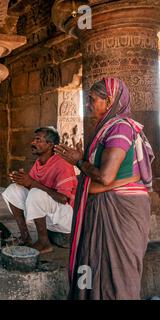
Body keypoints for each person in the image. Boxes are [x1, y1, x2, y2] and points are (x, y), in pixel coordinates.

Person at [55, 77, 155, 300]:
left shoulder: (120, 127)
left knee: (117, 274)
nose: (88, 105)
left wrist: (79, 162)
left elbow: (105, 176)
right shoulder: (107, 128)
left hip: (120, 211)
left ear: (109, 101)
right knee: (96, 266)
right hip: (105, 207)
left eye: (92, 100)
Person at [2, 127, 78, 254]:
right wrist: (21, 180)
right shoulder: (39, 163)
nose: (33, 143)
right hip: (51, 213)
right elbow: (31, 185)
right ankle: (26, 237)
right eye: (34, 139)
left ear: (50, 145)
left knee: (36, 193)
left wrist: (31, 183)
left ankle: (44, 243)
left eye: (38, 140)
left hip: (66, 217)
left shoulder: (62, 164)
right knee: (13, 190)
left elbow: (63, 198)